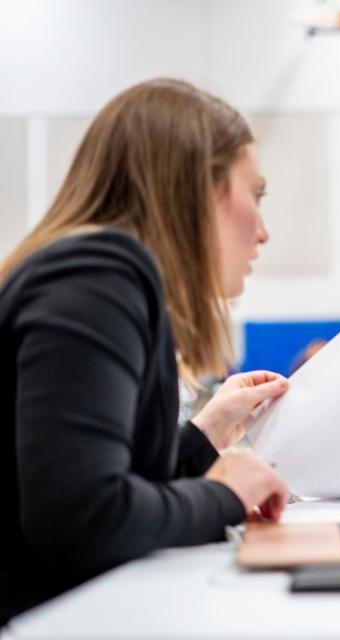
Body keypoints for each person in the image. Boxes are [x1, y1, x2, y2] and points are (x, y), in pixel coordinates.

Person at [0, 78, 292, 624]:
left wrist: (205, 437)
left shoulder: (104, 276)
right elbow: (85, 520)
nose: (263, 231)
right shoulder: (99, 276)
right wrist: (226, 493)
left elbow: (99, 483)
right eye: (255, 194)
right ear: (201, 190)